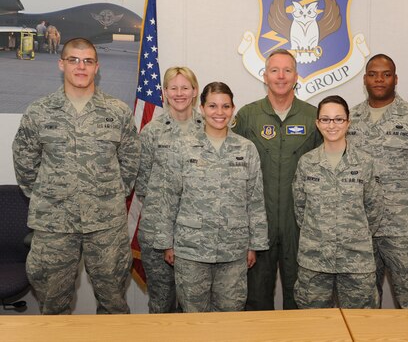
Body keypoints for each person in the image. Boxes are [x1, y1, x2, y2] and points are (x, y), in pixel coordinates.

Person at [12, 37, 139, 314]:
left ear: (96, 67)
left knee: (114, 304)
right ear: (62, 64)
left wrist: (109, 194)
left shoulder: (117, 112)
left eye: (88, 61)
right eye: (74, 60)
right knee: (53, 306)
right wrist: (50, 195)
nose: (81, 67)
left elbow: (130, 162)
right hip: (54, 225)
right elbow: (24, 162)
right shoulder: (39, 111)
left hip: (106, 224)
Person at [155, 82, 269, 312]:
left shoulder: (246, 149)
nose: (219, 112)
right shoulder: (183, 147)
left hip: (233, 251)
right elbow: (169, 197)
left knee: (230, 318)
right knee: (193, 320)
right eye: (213, 106)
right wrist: (167, 242)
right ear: (202, 108)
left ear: (233, 108)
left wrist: (254, 245)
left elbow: (255, 200)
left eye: (225, 106)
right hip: (191, 250)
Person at [348, 54, 408, 309]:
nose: (379, 79)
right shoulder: (349, 120)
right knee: (362, 304)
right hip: (361, 229)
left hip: (404, 230)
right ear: (365, 79)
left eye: (386, 74)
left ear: (395, 79)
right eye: (373, 74)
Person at [232, 49, 322, 310]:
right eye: (274, 70)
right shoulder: (248, 117)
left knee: (301, 298)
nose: (281, 76)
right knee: (256, 299)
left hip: (301, 226)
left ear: (296, 76)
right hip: (260, 224)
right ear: (265, 76)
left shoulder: (313, 117)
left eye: (287, 70)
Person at [293, 95, 381, 309]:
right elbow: (300, 210)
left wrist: (352, 237)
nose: (332, 125)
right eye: (325, 119)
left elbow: (374, 210)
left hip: (356, 262)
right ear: (317, 123)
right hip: (315, 261)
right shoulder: (307, 163)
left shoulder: (365, 163)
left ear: (348, 123)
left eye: (338, 119)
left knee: (361, 327)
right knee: (314, 327)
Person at [135, 66, 202, 313]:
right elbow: (142, 183)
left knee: (193, 306)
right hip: (157, 233)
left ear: (195, 91)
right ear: (164, 92)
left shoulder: (209, 127)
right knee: (161, 303)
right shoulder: (152, 131)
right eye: (173, 88)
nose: (179, 93)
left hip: (197, 234)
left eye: (185, 87)